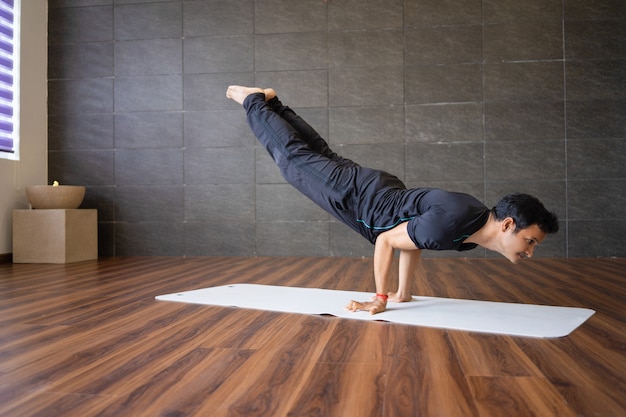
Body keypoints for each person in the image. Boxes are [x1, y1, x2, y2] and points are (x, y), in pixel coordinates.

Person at [226, 85, 559, 315]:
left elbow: (413, 240)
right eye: (529, 241)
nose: (529, 251)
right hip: (358, 196)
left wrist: (403, 293)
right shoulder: (455, 224)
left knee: (317, 153)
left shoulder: (471, 223)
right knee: (293, 160)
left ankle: (275, 104)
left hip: (377, 189)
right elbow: (387, 239)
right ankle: (254, 102)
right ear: (508, 224)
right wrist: (381, 297)